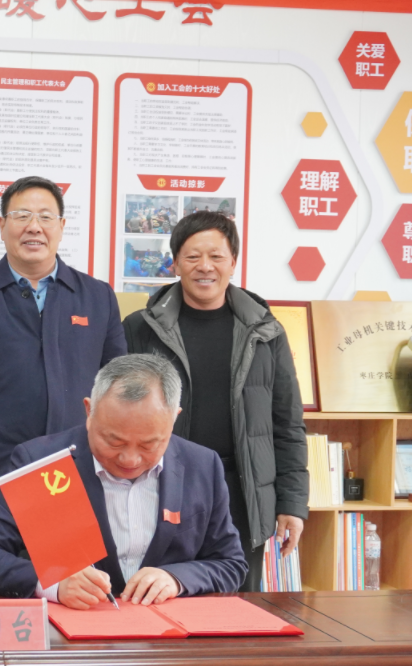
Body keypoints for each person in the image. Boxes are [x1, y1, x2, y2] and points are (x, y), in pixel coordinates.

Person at [0, 354, 247, 606]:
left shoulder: (201, 466)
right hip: (71, 637)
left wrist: (176, 578)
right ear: (88, 411)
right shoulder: (41, 463)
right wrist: (53, 583)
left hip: (168, 638)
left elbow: (231, 563)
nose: (129, 459)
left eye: (148, 444)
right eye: (113, 441)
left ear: (174, 419)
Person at [123, 211, 308, 593]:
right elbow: (120, 412)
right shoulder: (141, 329)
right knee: (158, 594)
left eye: (216, 256)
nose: (205, 266)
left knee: (238, 602)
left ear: (233, 262)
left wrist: (292, 503)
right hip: (163, 484)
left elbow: (287, 423)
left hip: (242, 490)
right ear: (175, 263)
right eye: (192, 257)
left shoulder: (266, 332)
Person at [0, 175, 126, 484]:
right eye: (21, 216)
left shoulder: (98, 297)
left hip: (80, 471)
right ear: (2, 225)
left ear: (61, 226)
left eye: (46, 217)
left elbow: (118, 389)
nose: (34, 227)